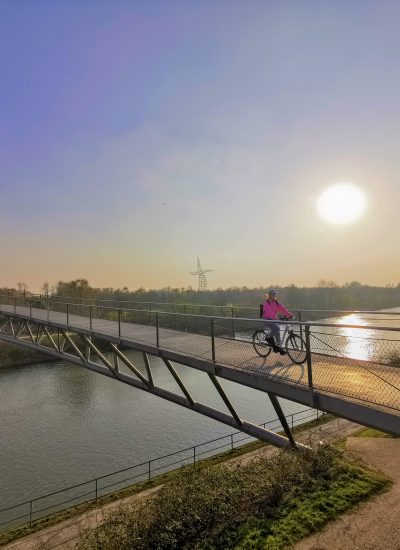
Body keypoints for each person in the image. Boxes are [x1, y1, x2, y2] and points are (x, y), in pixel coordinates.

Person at [259, 289, 294, 354]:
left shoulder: (276, 302)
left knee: (277, 331)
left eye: (275, 294)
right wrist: (276, 317)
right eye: (273, 294)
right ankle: (268, 337)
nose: (274, 295)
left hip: (273, 319)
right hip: (266, 319)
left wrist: (289, 315)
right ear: (270, 295)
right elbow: (268, 311)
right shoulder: (266, 302)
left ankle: (278, 348)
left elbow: (283, 309)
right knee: (277, 328)